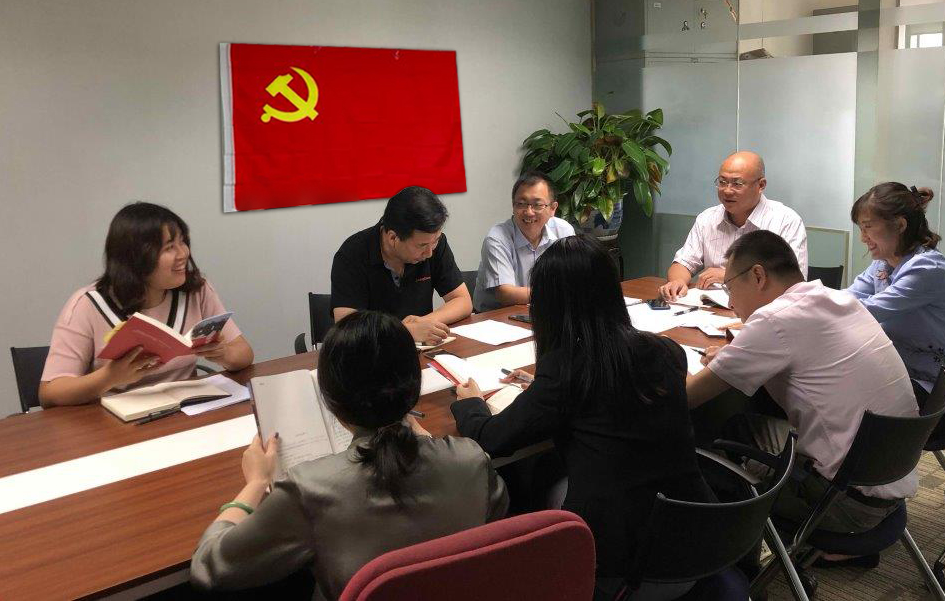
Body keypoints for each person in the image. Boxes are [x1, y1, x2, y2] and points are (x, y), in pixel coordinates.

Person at [453, 235, 710, 598]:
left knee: (529, 480)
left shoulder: (567, 370)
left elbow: (491, 439)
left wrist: (470, 403)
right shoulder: (666, 351)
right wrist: (543, 389)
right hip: (698, 544)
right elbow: (614, 398)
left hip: (626, 571)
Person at [191, 310, 508, 599]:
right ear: (414, 388)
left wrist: (256, 482)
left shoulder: (309, 488)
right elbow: (493, 517)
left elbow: (208, 566)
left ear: (332, 403)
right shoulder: (471, 459)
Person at [687, 230, 919, 549]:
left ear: (758, 276)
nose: (730, 301)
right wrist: (735, 356)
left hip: (842, 506)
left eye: (730, 287)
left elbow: (687, 397)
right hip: (884, 483)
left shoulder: (776, 320)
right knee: (741, 425)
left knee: (701, 454)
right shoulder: (836, 299)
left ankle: (735, 558)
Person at [38, 202, 252, 407]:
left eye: (182, 241)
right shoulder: (88, 305)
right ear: (136, 258)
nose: (183, 253)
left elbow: (244, 353)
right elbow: (49, 393)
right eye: (169, 247)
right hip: (115, 420)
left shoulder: (197, 290)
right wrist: (109, 377)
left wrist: (223, 353)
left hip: (187, 411)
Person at [848, 182, 945, 435]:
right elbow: (849, 298)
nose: (863, 238)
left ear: (899, 225)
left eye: (868, 227)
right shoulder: (883, 265)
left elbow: (863, 311)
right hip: (922, 378)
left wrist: (806, 302)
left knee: (857, 412)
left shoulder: (927, 268)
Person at [331, 186, 472, 346]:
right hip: (373, 352)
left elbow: (462, 300)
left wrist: (424, 323)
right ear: (393, 238)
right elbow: (347, 328)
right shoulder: (352, 254)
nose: (429, 253)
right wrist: (404, 331)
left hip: (421, 350)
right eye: (421, 245)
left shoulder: (432, 244)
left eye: (435, 241)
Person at [660, 151, 808, 300]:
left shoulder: (786, 221)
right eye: (722, 182)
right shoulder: (707, 219)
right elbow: (683, 263)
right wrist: (677, 281)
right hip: (710, 307)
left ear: (761, 185)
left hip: (761, 308)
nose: (727, 190)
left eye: (737, 184)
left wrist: (730, 276)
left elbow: (794, 284)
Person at [472, 171, 575, 312]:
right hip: (496, 316)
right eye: (521, 204)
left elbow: (573, 278)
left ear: (553, 208)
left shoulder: (563, 232)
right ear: (513, 206)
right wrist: (556, 293)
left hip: (546, 312)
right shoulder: (497, 238)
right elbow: (505, 294)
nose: (529, 212)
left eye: (537, 205)